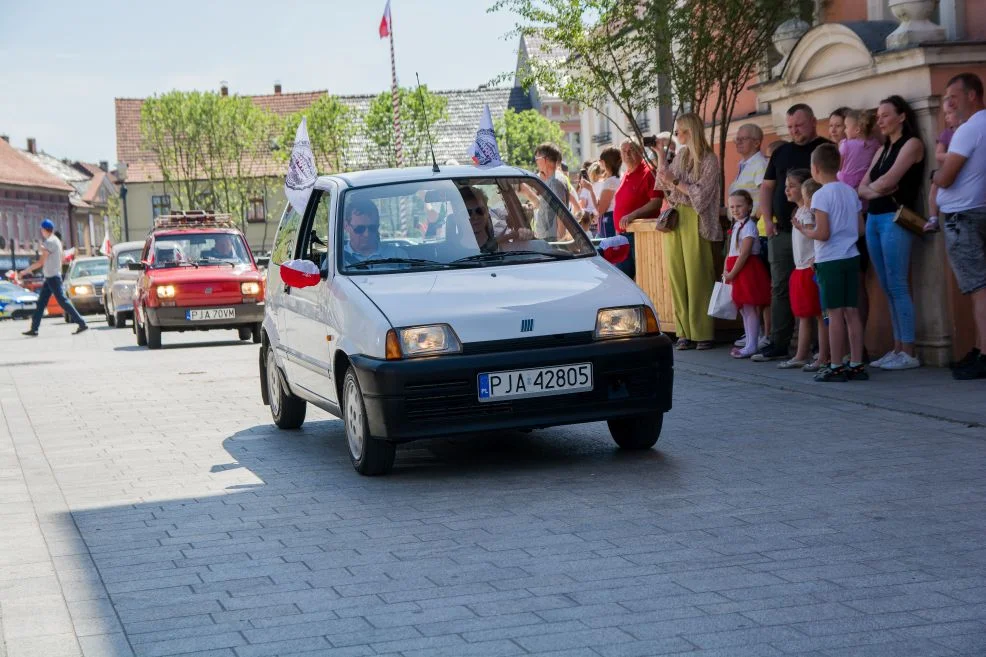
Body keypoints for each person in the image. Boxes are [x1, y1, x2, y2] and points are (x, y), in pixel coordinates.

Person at [754, 104, 830, 362]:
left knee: (818, 288)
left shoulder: (823, 150)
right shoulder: (782, 151)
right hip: (782, 231)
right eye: (790, 127)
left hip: (815, 231)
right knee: (780, 287)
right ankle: (779, 342)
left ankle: (822, 347)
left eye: (799, 125)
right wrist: (768, 219)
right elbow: (766, 188)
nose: (794, 131)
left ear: (812, 121)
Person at [857, 95, 925, 370]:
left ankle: (908, 350)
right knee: (886, 286)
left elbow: (889, 181)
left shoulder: (912, 144)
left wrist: (876, 188)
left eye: (886, 115)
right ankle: (897, 348)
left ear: (902, 116)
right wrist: (877, 189)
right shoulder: (882, 149)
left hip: (895, 218)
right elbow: (864, 186)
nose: (880, 120)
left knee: (897, 284)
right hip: (873, 217)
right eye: (879, 115)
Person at [794, 144, 866, 382]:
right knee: (852, 312)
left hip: (830, 259)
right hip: (851, 256)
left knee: (834, 314)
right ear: (840, 165)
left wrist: (805, 229)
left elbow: (823, 233)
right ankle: (856, 363)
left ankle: (835, 365)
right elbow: (860, 228)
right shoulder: (849, 191)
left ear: (814, 169)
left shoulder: (820, 195)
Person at [654, 113, 722, 350]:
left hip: (697, 219)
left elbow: (702, 197)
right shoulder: (681, 155)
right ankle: (683, 332)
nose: (676, 135)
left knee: (698, 276)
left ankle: (702, 332)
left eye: (679, 131)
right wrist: (661, 155)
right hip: (676, 218)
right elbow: (662, 183)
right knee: (678, 275)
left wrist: (675, 182)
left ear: (690, 131)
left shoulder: (709, 160)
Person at [934, 72, 986, 379]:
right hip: (977, 210)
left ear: (972, 95)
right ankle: (979, 349)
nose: (949, 102)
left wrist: (935, 178)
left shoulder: (968, 130)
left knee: (979, 289)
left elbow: (948, 174)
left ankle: (984, 355)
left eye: (954, 96)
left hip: (963, 216)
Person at [780, 173, 830, 372]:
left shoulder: (809, 214)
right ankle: (802, 354)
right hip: (800, 268)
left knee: (819, 314)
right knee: (803, 314)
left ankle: (823, 355)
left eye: (792, 185)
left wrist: (816, 257)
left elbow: (815, 236)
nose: (787, 190)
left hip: (810, 268)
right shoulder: (800, 212)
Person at [729, 123, 772, 350]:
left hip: (757, 231)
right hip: (742, 227)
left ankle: (764, 333)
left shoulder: (760, 164)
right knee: (747, 296)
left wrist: (751, 221)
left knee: (758, 290)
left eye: (743, 138)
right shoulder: (742, 164)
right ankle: (753, 333)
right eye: (737, 138)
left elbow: (762, 193)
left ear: (756, 142)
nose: (738, 142)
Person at [723, 190, 771, 358]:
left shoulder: (749, 226)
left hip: (747, 269)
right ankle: (751, 341)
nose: (735, 210)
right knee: (744, 309)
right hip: (736, 269)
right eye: (732, 207)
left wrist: (732, 272)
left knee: (750, 308)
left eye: (739, 206)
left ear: (749, 206)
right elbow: (731, 251)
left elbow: (744, 253)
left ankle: (752, 345)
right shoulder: (736, 225)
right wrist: (725, 269)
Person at [20, 218, 88, 336]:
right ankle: (34, 328)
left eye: (41, 229)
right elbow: (60, 258)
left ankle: (82, 323)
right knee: (41, 303)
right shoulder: (56, 240)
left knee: (63, 301)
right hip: (51, 276)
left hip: (52, 277)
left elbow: (41, 262)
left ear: (44, 229)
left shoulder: (49, 243)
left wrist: (25, 271)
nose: (41, 231)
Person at [613, 140, 663, 279]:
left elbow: (656, 202)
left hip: (640, 236)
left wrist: (632, 216)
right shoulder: (626, 174)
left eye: (631, 150)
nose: (627, 154)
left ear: (641, 151)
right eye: (624, 151)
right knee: (624, 281)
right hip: (623, 236)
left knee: (644, 279)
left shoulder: (648, 172)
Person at [926, 104, 963, 234]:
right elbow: (938, 154)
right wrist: (954, 155)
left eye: (949, 113)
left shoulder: (968, 130)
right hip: (948, 169)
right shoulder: (947, 134)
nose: (946, 117)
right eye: (945, 114)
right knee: (933, 190)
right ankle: (933, 219)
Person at [342, 199, 406, 264]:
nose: (366, 234)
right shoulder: (337, 258)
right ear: (346, 226)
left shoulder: (398, 255)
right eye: (360, 229)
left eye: (372, 228)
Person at [530, 143, 570, 241]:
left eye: (537, 158)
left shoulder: (556, 181)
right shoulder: (551, 179)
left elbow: (561, 214)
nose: (536, 162)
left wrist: (560, 242)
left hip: (552, 239)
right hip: (546, 237)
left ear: (544, 159)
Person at [582, 147, 621, 238]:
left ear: (604, 162)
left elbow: (600, 210)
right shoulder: (619, 178)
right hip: (613, 219)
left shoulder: (610, 181)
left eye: (600, 160)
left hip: (609, 221)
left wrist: (591, 189)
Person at [837, 109, 881, 191]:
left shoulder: (846, 145)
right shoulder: (875, 143)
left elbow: (838, 166)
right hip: (865, 183)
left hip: (845, 184)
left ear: (857, 130)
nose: (844, 130)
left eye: (846, 127)